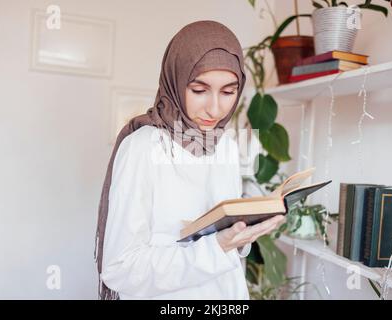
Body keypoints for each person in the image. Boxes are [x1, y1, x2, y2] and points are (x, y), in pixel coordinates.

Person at [94, 20, 284, 300]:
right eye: (199, 90)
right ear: (176, 79)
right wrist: (216, 247)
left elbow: (224, 238)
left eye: (229, 91)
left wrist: (245, 231)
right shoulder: (143, 146)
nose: (215, 108)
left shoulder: (226, 146)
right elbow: (120, 268)